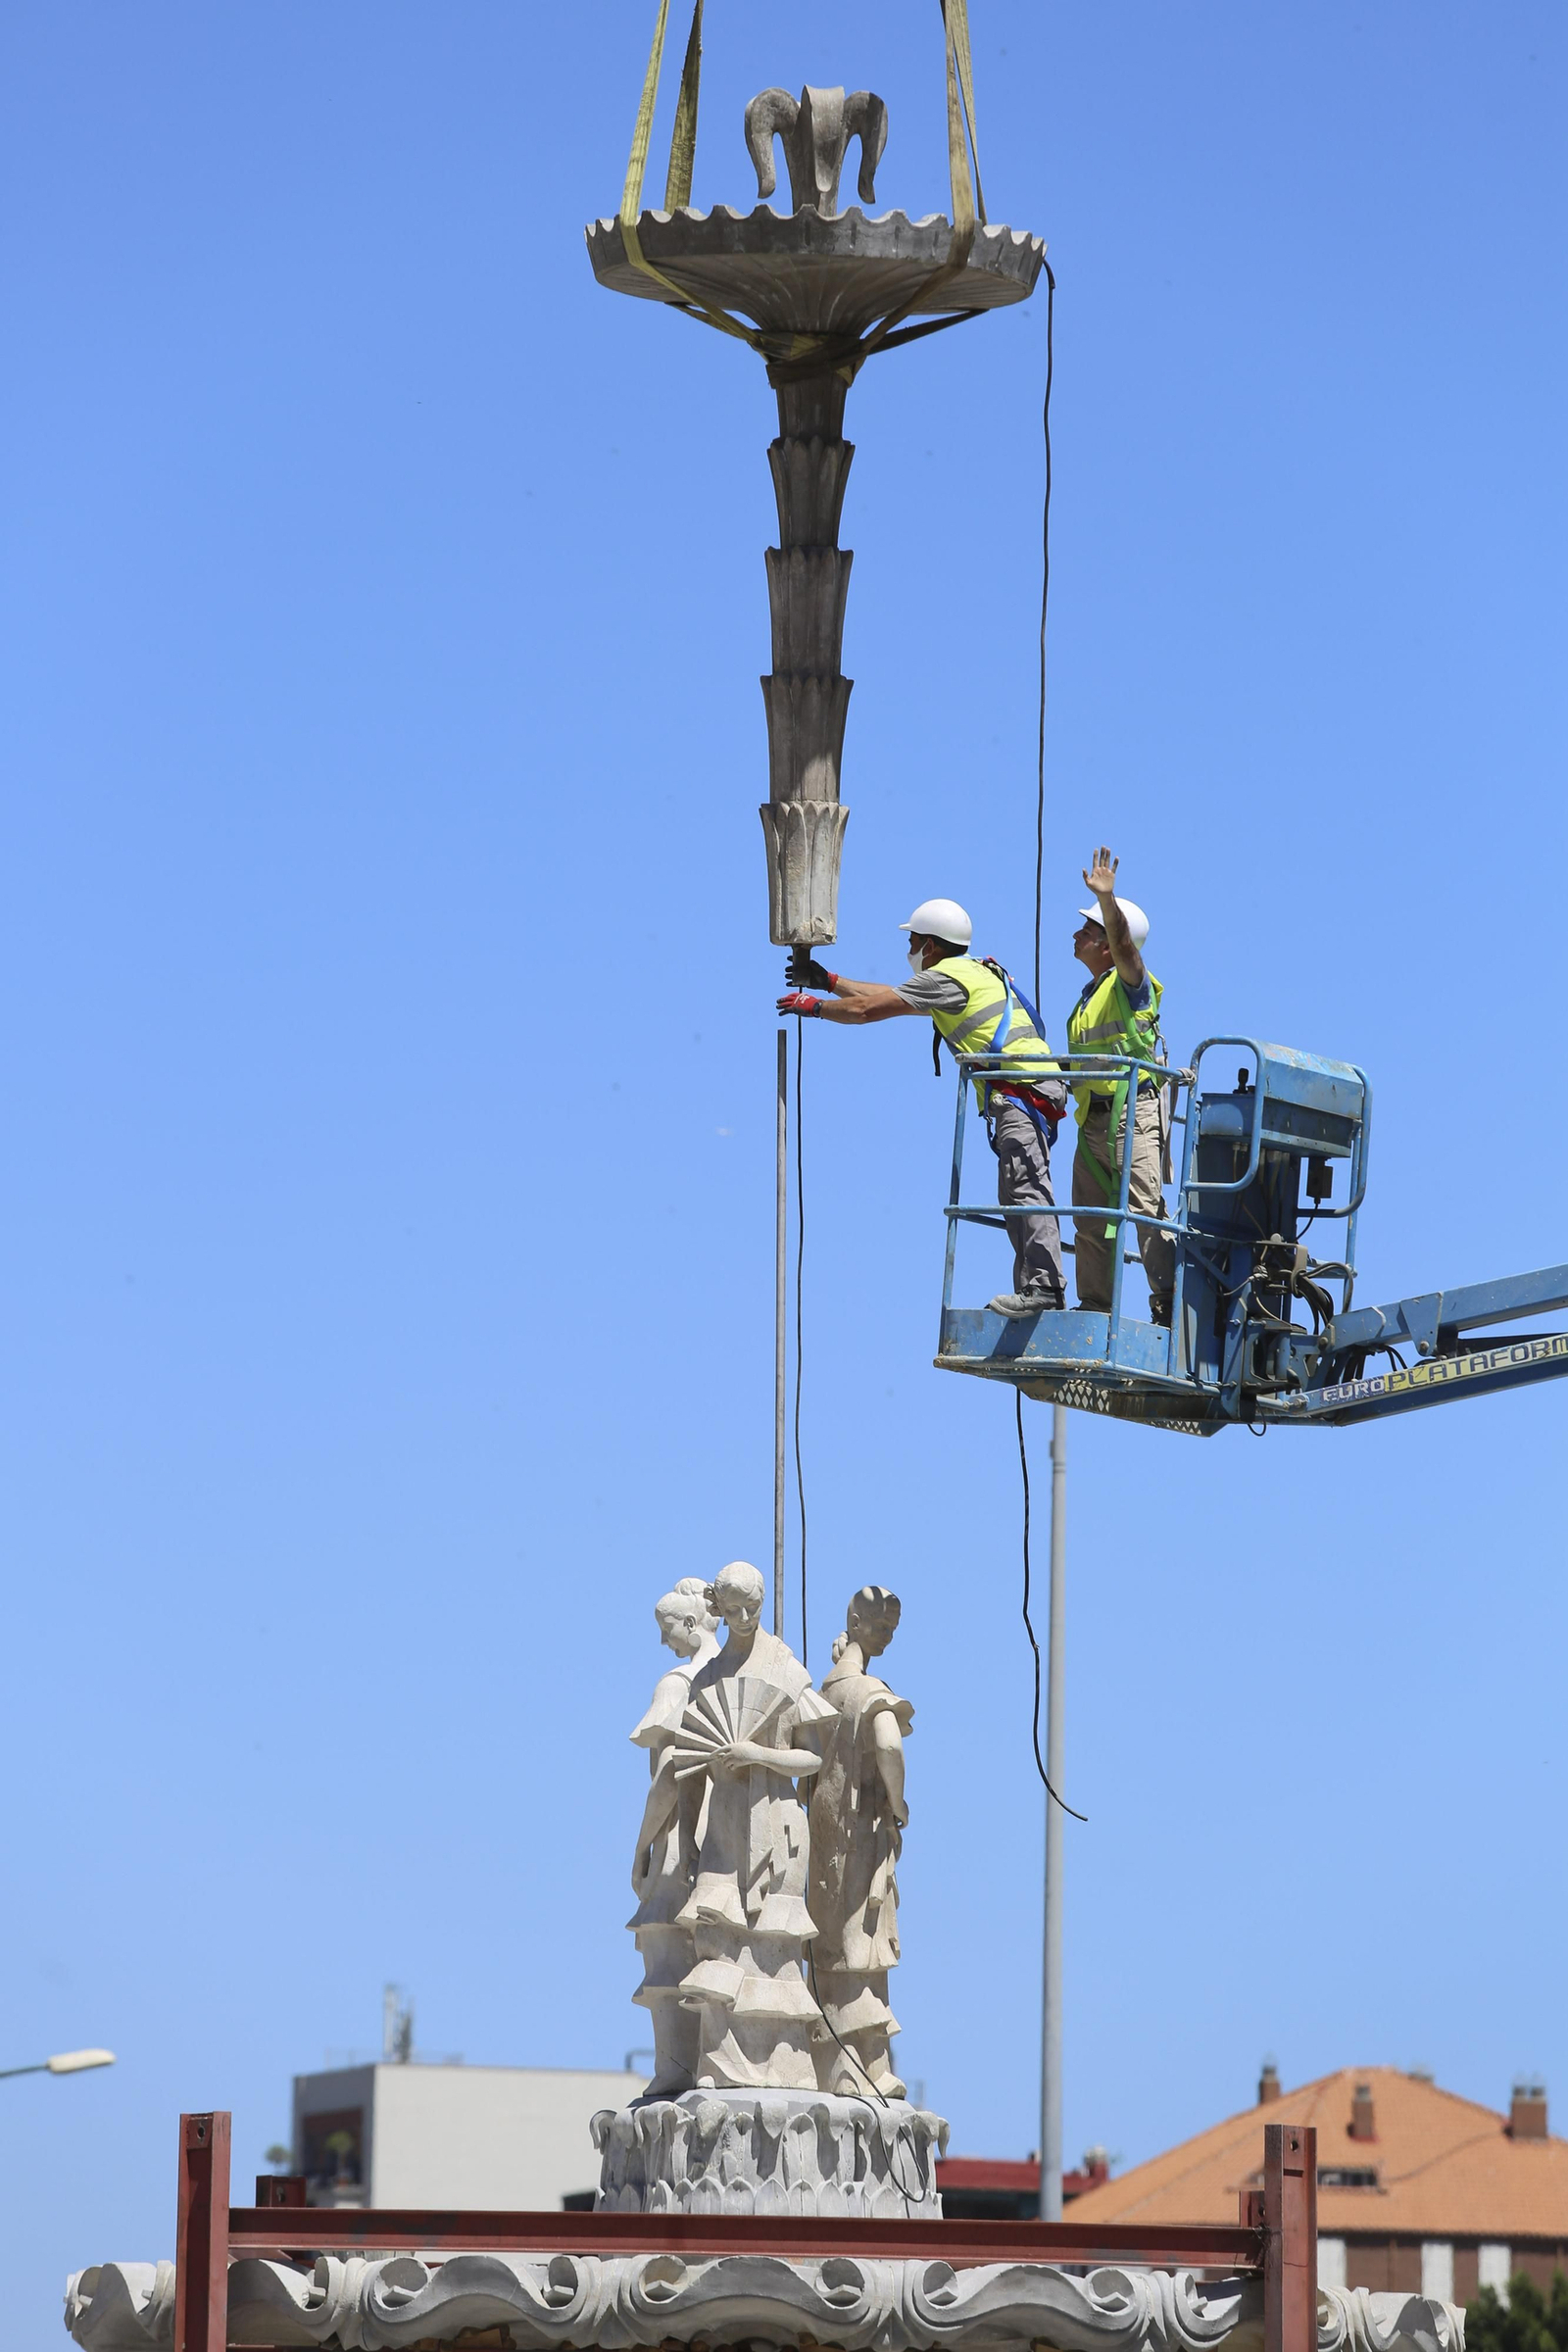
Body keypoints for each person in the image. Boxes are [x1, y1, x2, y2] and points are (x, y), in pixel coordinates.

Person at [776, 898, 1069, 1318]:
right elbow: (890, 995)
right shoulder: (970, 970)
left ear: (930, 946)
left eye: (913, 941)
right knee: (1015, 1189)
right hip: (1028, 1089)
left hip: (1021, 1092)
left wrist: (816, 1007)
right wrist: (829, 980)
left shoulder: (945, 978)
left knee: (1025, 1187)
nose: (909, 950)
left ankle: (1044, 1290)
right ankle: (1037, 1288)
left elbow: (866, 1010)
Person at [666, 1561, 838, 2091]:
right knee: (720, 1940)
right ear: (717, 1606)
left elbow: (813, 1760)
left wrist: (757, 1753)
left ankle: (782, 2066)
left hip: (777, 1824)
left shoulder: (785, 1667)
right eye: (733, 1608)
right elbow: (688, 1769)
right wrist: (685, 1839)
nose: (742, 1617)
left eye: (752, 1607)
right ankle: (719, 2066)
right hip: (723, 1824)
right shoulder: (710, 1677)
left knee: (771, 1946)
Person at [808, 1587, 913, 2099]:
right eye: (882, 1627)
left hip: (821, 1837)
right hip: (864, 1831)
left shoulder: (821, 1692)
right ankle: (868, 2066)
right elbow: (889, 1743)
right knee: (864, 1947)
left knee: (832, 1947)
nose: (886, 1637)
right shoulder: (869, 1691)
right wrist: (898, 1802)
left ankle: (836, 2064)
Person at [1067, 846, 1175, 1324]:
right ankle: (1095, 1308)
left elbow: (1128, 949)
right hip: (1095, 1121)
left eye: (1088, 930)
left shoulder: (1131, 981)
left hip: (1133, 1113)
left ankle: (1172, 1302)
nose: (1077, 934)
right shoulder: (1089, 996)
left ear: (1107, 942)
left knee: (1144, 1210)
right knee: (1090, 1221)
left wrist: (1108, 901)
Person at [626, 1579, 721, 2096]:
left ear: (689, 1624)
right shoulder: (732, 1678)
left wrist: (643, 1845)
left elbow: (667, 1775)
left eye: (667, 1630)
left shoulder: (677, 1683)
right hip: (728, 1837)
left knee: (664, 1954)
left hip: (678, 1836)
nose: (665, 1643)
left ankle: (676, 2068)